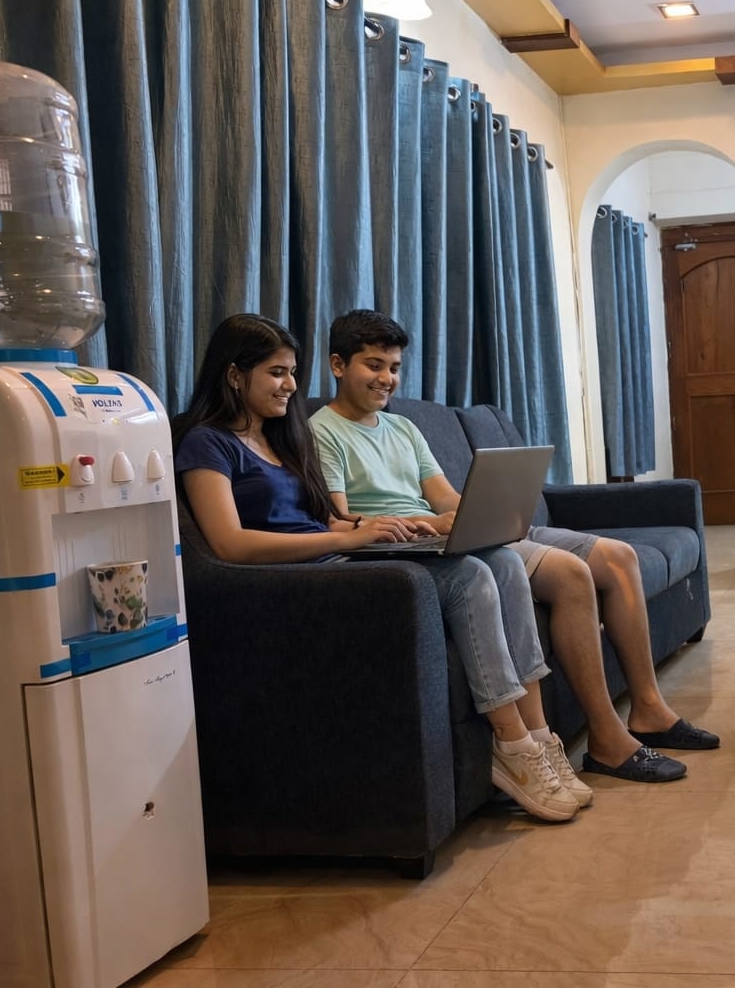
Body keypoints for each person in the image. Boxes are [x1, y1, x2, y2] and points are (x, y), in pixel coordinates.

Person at [173, 314, 585, 823]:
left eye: (293, 372)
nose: (292, 386)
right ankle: (512, 743)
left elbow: (323, 516)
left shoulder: (281, 436)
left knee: (501, 562)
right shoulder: (206, 442)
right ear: (235, 374)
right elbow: (229, 544)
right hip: (296, 580)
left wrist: (374, 526)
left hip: (337, 555)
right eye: (276, 373)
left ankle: (540, 737)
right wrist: (348, 537)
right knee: (470, 576)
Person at [309, 311, 717, 787]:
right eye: (374, 365)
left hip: (458, 531)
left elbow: (444, 497)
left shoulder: (402, 428)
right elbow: (339, 518)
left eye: (394, 367)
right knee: (570, 574)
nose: (387, 378)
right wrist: (434, 524)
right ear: (338, 365)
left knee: (619, 557)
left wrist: (486, 510)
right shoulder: (322, 431)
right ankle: (608, 738)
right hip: (414, 545)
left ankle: (648, 709)